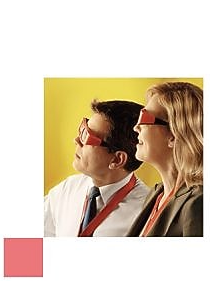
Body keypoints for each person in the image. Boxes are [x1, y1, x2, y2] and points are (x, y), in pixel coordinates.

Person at [43, 99, 151, 237]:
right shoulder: (68, 188)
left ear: (117, 160)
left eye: (87, 136)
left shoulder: (146, 213)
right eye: (83, 129)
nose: (76, 140)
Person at [127, 81, 204, 237]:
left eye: (145, 117)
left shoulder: (199, 203)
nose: (136, 127)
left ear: (174, 135)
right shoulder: (156, 194)